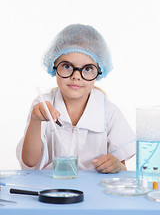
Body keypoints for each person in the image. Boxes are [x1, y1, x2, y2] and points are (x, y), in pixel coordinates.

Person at [17, 24, 136, 173]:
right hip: (52, 188)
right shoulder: (43, 106)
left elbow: (121, 167)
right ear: (54, 67)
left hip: (94, 192)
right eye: (67, 66)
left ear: (99, 72)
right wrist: (35, 120)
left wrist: (116, 165)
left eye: (87, 69)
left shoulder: (109, 112)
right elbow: (29, 162)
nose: (76, 76)